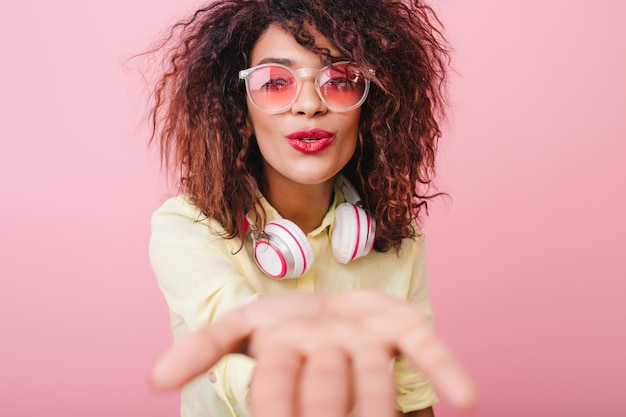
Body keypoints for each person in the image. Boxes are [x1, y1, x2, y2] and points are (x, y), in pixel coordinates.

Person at [146, 0, 476, 416]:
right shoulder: (187, 228)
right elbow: (238, 355)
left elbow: (412, 401)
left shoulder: (397, 236)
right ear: (241, 113)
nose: (308, 105)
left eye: (338, 79)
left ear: (368, 108)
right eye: (274, 82)